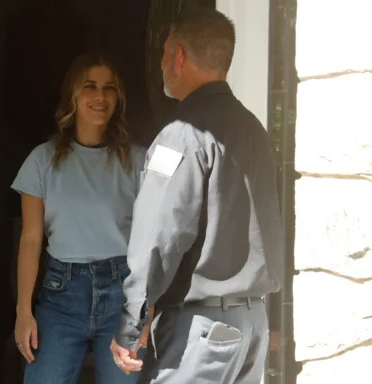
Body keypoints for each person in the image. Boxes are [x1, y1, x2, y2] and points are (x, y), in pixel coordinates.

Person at [109, 8, 285, 384]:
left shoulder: (183, 135)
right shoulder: (253, 130)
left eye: (164, 52)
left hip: (203, 331)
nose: (159, 63)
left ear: (179, 56)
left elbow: (160, 233)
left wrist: (131, 321)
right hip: (250, 325)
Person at [11, 52, 149, 384]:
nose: (100, 96)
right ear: (73, 94)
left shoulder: (138, 161)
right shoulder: (41, 160)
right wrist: (23, 311)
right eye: (89, 86)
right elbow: (31, 239)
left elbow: (151, 242)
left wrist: (148, 311)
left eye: (109, 88)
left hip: (123, 295)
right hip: (61, 297)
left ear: (119, 99)